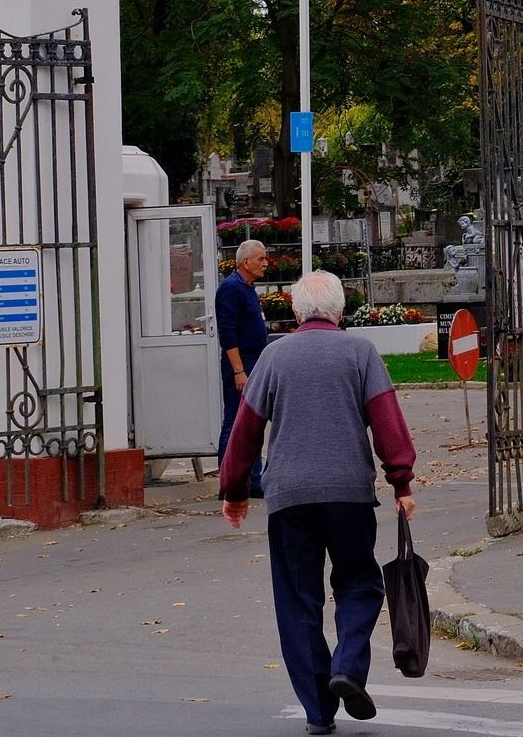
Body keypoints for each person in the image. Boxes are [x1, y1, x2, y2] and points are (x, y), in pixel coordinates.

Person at [222, 270, 417, 736]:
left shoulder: (273, 357)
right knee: (360, 583)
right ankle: (347, 666)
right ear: (341, 311)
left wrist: (234, 492)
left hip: (288, 495)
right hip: (349, 493)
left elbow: (245, 430)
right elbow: (387, 421)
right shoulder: (360, 352)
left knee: (297, 600)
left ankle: (318, 711)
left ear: (294, 312)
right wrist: (401, 482)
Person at [217, 238, 271, 495]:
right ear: (245, 261)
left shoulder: (247, 287)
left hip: (254, 360)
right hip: (241, 364)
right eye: (261, 258)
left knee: (253, 420)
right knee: (235, 421)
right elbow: (227, 333)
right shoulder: (230, 288)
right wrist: (239, 370)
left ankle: (254, 479)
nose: (265, 263)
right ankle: (229, 482)